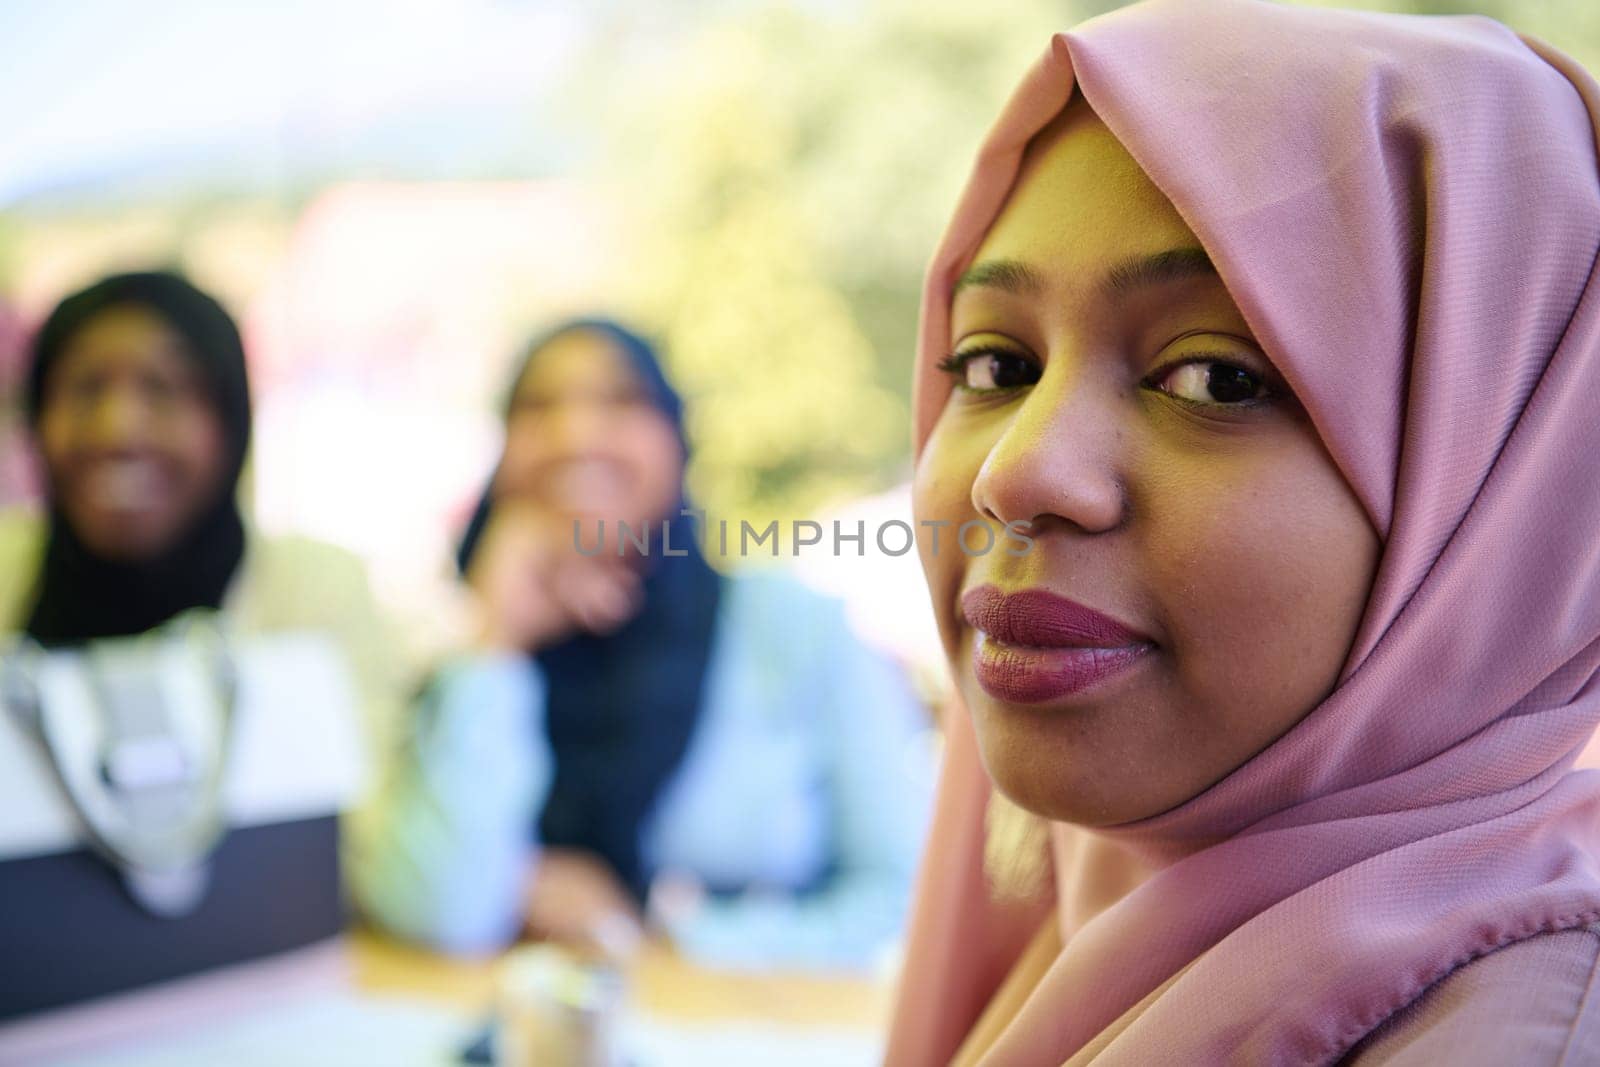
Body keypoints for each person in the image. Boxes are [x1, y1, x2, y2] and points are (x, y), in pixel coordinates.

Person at [886, 2, 1600, 1064]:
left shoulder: (1507, 1033)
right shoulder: (1098, 918)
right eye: (996, 365)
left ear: (1507, 488)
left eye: (1217, 377)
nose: (1013, 473)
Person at [349, 317, 933, 970]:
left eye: (620, 401)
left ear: (678, 441)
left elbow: (904, 903)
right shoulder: (452, 655)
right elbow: (441, 916)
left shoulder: (795, 629)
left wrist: (652, 936)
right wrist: (494, 644)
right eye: (539, 406)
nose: (576, 434)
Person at [0, 271, 391, 1024]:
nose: (119, 427)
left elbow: (369, 851)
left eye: (165, 388)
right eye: (84, 389)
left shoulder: (316, 590)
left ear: (231, 418)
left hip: (256, 1019)